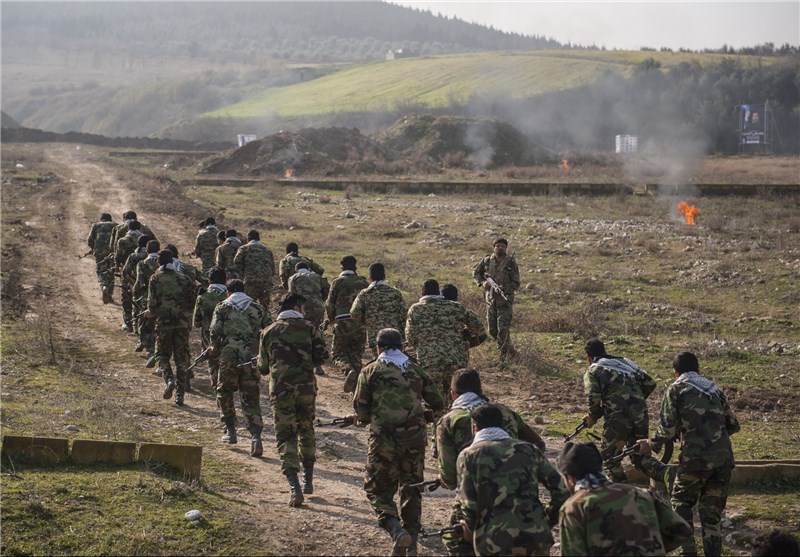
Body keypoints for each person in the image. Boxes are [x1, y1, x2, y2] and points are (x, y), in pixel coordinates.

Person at [637, 352, 740, 557]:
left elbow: (666, 431)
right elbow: (733, 425)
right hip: (723, 460)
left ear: (676, 372)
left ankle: (689, 553)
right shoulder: (714, 389)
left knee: (681, 505)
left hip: (694, 460)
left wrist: (649, 444)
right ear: (698, 369)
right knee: (711, 516)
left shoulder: (676, 388)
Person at [353, 328, 445, 557]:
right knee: (412, 489)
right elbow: (437, 401)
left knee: (377, 490)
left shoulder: (370, 371)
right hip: (414, 440)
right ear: (402, 347)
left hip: (383, 441)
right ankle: (411, 541)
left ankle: (396, 531)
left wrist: (366, 418)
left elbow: (361, 409)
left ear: (378, 347)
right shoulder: (416, 370)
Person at [436, 368, 545, 556]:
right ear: (480, 390)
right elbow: (538, 445)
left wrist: (443, 478)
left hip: (474, 497)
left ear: (453, 394)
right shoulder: (504, 412)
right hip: (517, 497)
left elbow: (451, 479)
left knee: (456, 541)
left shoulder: (448, 421)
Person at [455, 403, 568, 557]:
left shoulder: (468, 456)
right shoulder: (529, 450)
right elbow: (561, 490)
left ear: (474, 427)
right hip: (536, 537)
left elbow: (469, 505)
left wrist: (472, 529)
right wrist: (547, 520)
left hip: (493, 542)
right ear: (502, 424)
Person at [557, 441, 692, 556]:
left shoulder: (575, 507)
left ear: (570, 478)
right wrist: (649, 549)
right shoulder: (642, 494)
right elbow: (681, 531)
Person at [257, 293, 328, 506]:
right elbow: (322, 357)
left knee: (286, 435)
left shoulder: (268, 331)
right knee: (306, 430)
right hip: (306, 388)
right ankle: (308, 479)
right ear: (297, 306)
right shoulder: (310, 328)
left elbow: (262, 367)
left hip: (281, 390)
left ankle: (294, 486)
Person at [582, 338, 669, 485]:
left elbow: (593, 396)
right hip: (640, 415)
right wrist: (634, 401)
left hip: (618, 418)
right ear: (604, 351)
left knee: (609, 459)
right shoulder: (625, 363)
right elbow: (650, 383)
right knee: (640, 456)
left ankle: (623, 491)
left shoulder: (594, 369)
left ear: (588, 358)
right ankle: (670, 477)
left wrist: (594, 415)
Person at [209, 279, 271, 456]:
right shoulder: (258, 308)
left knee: (224, 391)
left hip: (229, 353)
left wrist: (214, 348)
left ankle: (230, 431)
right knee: (251, 396)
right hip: (251, 356)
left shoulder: (222, 307)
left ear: (228, 292)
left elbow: (215, 330)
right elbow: (269, 330)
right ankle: (256, 437)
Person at [405, 279, 487, 399]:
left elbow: (410, 338)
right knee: (457, 397)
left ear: (422, 293)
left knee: (433, 399)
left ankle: (438, 417)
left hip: (429, 360)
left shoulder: (415, 309)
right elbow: (480, 331)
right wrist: (465, 337)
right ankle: (455, 417)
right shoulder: (457, 307)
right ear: (438, 292)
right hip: (456, 360)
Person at [144, 249, 196, 406]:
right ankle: (180, 394)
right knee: (181, 358)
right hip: (182, 324)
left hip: (164, 323)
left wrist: (150, 313)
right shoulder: (184, 279)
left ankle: (169, 380)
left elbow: (152, 304)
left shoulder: (155, 279)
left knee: (162, 355)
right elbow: (192, 301)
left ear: (159, 262)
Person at [325, 255, 369, 392]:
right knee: (356, 353)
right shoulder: (363, 283)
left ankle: (348, 370)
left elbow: (329, 304)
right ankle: (358, 388)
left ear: (341, 266)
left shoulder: (337, 282)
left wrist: (331, 319)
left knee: (338, 353)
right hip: (360, 324)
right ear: (355, 266)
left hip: (342, 321)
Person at [472, 238, 520, 361]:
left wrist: (505, 288)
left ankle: (503, 358)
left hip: (505, 301)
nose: (500, 248)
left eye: (503, 246)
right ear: (494, 247)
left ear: (506, 248)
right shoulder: (487, 261)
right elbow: (476, 273)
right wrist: (482, 283)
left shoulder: (510, 262)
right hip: (490, 300)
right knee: (492, 330)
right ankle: (512, 352)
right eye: (498, 246)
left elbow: (516, 283)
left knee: (503, 330)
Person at [350, 263, 407, 358]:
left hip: (376, 336)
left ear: (370, 277)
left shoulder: (365, 294)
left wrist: (367, 322)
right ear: (384, 276)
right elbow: (405, 314)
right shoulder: (395, 293)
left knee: (379, 363)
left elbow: (354, 313)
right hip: (395, 337)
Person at [192, 267, 228, 389]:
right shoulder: (230, 296)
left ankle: (216, 384)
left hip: (209, 335)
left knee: (212, 361)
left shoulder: (202, 297)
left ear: (209, 280)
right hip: (229, 334)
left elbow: (196, 323)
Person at [441, 283, 486, 367]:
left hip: (433, 361)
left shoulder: (429, 312)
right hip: (458, 360)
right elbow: (482, 335)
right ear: (456, 297)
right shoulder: (462, 310)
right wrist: (465, 344)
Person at [133, 240, 161, 367]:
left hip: (146, 298)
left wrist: (134, 292)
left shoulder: (142, 264)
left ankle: (148, 348)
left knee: (146, 323)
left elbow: (139, 282)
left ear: (147, 250)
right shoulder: (164, 262)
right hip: (163, 299)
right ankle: (154, 349)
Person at [115, 220, 145, 332]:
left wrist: (117, 267)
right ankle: (139, 323)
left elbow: (117, 256)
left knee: (126, 297)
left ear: (128, 228)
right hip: (143, 274)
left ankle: (128, 323)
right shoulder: (144, 239)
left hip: (127, 272)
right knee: (141, 298)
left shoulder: (122, 241)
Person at [233, 229, 275, 309]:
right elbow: (272, 270)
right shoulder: (267, 250)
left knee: (248, 306)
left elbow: (237, 261)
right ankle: (265, 321)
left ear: (248, 239)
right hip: (266, 283)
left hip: (251, 282)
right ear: (259, 239)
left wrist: (242, 273)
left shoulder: (244, 248)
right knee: (265, 307)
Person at [122, 234, 152, 343]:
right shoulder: (158, 257)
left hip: (139, 287)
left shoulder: (134, 256)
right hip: (155, 288)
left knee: (137, 308)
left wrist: (132, 283)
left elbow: (125, 273)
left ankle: (135, 328)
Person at [86, 212, 117, 303]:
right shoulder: (115, 226)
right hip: (112, 252)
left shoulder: (96, 225)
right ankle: (110, 295)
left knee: (101, 271)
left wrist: (93, 248)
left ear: (101, 219)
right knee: (111, 271)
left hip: (100, 252)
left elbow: (90, 240)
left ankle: (104, 286)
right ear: (110, 219)